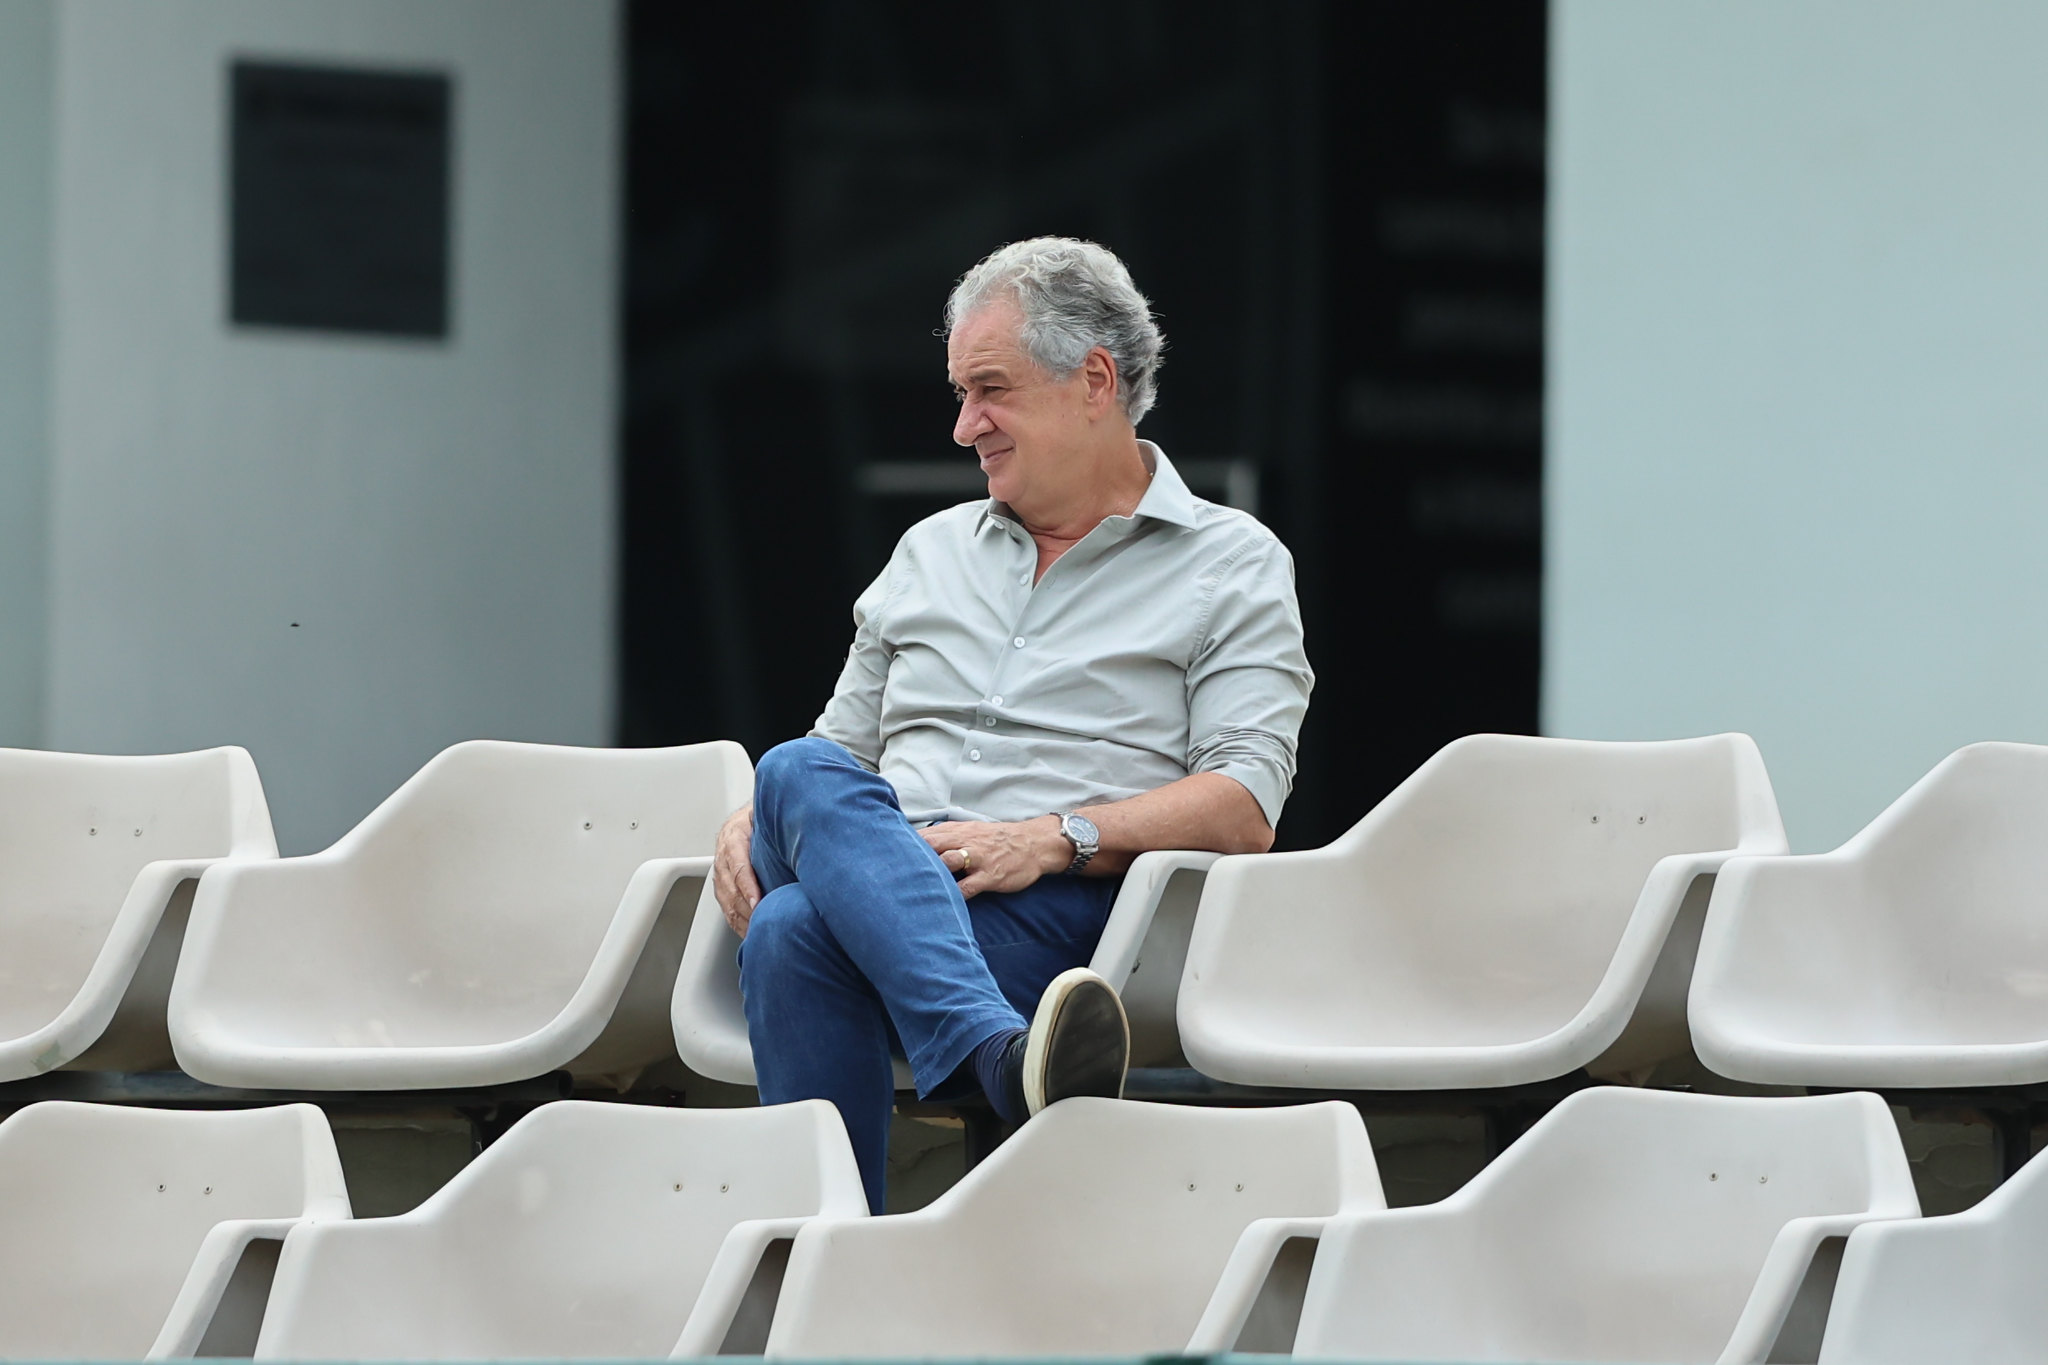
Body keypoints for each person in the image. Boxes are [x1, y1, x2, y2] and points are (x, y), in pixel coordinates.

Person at [711, 236, 1312, 1211]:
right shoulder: (928, 552)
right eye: (958, 394)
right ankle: (995, 1057)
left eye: (987, 390)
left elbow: (1243, 807)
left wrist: (1056, 837)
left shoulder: (1232, 564)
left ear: (1094, 380)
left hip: (1059, 914)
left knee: (786, 931)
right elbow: (834, 757)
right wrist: (761, 818)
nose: (962, 427)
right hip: (892, 873)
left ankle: (826, 1270)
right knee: (788, 772)